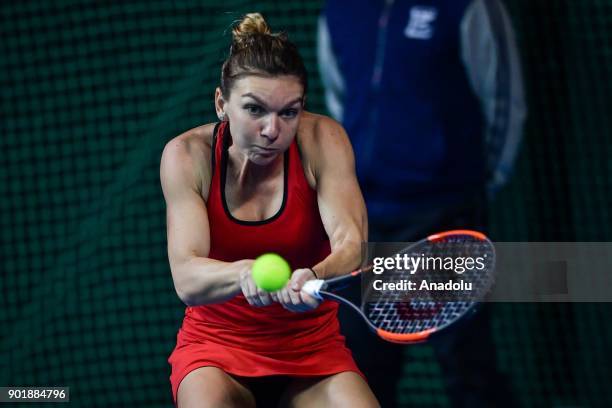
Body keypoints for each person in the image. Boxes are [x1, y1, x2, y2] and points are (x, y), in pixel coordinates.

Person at [161, 13, 379, 408]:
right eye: (255, 110)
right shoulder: (186, 156)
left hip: (313, 350)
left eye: (289, 112)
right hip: (215, 350)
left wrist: (314, 276)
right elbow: (187, 278)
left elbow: (351, 243)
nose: (272, 129)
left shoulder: (323, 139)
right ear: (221, 104)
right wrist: (246, 271)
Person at [318, 0, 526, 406]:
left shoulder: (469, 7)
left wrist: (475, 186)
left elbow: (503, 97)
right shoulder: (338, 10)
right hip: (368, 224)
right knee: (362, 375)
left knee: (470, 371)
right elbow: (341, 97)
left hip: (447, 217)